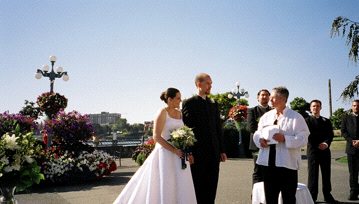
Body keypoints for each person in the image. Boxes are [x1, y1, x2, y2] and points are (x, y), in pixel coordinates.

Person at [113, 88, 196, 204]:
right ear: (170, 99)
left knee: (181, 183)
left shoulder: (180, 113)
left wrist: (187, 152)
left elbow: (184, 134)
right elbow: (156, 137)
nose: (180, 100)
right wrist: (174, 150)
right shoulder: (162, 112)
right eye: (178, 98)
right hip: (165, 154)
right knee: (166, 183)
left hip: (180, 155)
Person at [253, 86, 309, 204]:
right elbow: (257, 133)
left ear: (283, 98)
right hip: (268, 164)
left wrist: (285, 138)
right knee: (270, 198)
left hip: (287, 165)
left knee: (288, 198)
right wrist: (260, 140)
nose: (270, 100)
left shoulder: (296, 117)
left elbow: (304, 138)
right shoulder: (266, 116)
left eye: (273, 98)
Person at [182, 73, 227, 204]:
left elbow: (219, 128)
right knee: (198, 186)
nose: (210, 86)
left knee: (212, 185)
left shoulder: (214, 103)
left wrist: (222, 150)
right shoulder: (189, 103)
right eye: (208, 83)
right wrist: (188, 151)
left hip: (214, 152)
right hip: (198, 153)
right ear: (198, 84)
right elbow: (187, 129)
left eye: (211, 83)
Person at [306, 99, 337, 203]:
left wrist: (326, 143)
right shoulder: (306, 121)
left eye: (318, 106)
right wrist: (317, 145)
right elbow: (307, 136)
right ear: (310, 108)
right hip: (313, 151)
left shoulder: (326, 121)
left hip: (325, 151)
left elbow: (330, 134)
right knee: (313, 175)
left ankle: (327, 195)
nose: (316, 108)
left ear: (321, 107)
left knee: (326, 174)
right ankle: (312, 197)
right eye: (313, 106)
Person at [247, 89, 271, 185]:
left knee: (270, 171)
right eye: (262, 95)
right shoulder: (252, 110)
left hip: (271, 144)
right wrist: (262, 137)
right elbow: (251, 127)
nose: (264, 97)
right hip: (257, 144)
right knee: (258, 171)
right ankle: (256, 198)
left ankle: (268, 197)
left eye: (267, 95)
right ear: (258, 97)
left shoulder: (274, 111)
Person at [341, 99, 359, 201]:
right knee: (352, 172)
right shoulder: (346, 118)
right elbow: (343, 131)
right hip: (351, 149)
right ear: (352, 107)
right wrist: (352, 141)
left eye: (357, 105)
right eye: (354, 105)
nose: (356, 107)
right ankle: (353, 192)